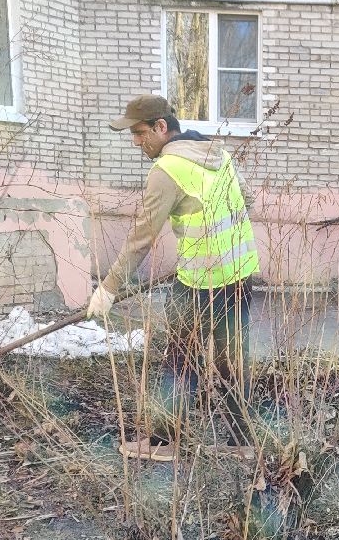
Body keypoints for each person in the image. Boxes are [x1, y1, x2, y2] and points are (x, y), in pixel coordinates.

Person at [86, 94, 260, 460]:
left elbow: (142, 238)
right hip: (240, 276)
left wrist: (109, 287)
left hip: (199, 283)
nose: (136, 142)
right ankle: (242, 443)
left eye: (139, 133)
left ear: (161, 127)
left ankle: (165, 445)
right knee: (231, 361)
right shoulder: (218, 154)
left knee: (180, 362)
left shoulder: (166, 171)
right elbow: (247, 198)